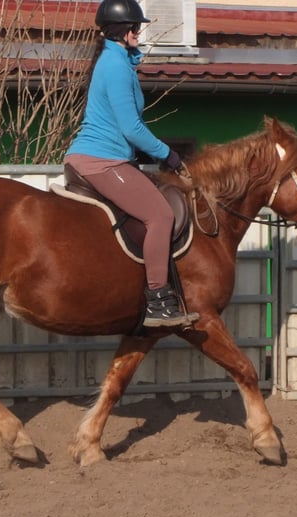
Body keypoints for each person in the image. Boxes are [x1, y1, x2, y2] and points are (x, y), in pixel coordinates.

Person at [64, 0, 197, 328]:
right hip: (102, 161)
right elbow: (131, 128)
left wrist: (148, 153)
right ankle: (157, 299)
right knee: (160, 215)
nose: (140, 32)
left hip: (108, 157)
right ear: (122, 31)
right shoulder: (115, 66)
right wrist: (169, 155)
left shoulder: (116, 61)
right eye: (136, 27)